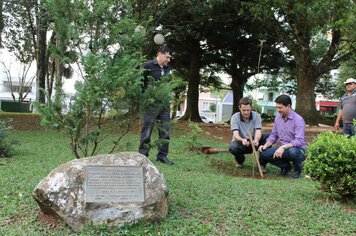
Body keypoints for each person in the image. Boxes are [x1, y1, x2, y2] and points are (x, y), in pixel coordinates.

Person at [138, 45, 174, 165]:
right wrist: (145, 98)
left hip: (164, 105)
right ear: (160, 54)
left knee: (165, 131)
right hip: (150, 104)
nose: (169, 60)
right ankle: (143, 156)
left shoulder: (168, 69)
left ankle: (162, 156)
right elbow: (140, 83)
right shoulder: (148, 66)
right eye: (167, 57)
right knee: (147, 130)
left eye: (170, 58)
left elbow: (169, 84)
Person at [258, 94, 306, 179]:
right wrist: (266, 145)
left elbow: (299, 141)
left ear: (288, 106)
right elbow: (274, 135)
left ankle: (297, 170)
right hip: (283, 149)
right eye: (277, 107)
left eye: (280, 108)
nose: (278, 110)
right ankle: (286, 166)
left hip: (298, 150)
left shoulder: (298, 120)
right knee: (263, 153)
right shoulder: (278, 118)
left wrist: (283, 147)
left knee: (292, 152)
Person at [229, 97, 269, 168]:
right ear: (239, 108)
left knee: (268, 137)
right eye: (244, 110)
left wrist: (256, 140)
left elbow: (258, 131)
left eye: (248, 110)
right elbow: (236, 134)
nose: (246, 112)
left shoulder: (256, 116)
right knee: (233, 147)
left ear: (251, 107)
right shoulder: (234, 117)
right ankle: (240, 161)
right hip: (241, 141)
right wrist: (242, 140)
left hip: (254, 140)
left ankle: (262, 164)